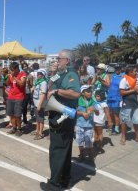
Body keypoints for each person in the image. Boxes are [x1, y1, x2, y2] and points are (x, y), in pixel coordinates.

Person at [40, 49, 80, 191]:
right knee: (64, 149)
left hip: (64, 117)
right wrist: (52, 74)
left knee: (57, 149)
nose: (57, 60)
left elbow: (75, 93)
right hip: (58, 115)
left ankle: (54, 184)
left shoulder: (71, 74)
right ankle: (64, 180)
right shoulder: (60, 74)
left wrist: (58, 91)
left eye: (59, 58)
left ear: (67, 61)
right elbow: (49, 87)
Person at [119, 66, 138, 145]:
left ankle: (137, 136)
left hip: (135, 103)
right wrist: (134, 90)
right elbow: (122, 92)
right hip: (126, 103)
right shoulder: (124, 80)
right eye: (134, 71)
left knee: (136, 121)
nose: (136, 72)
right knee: (124, 121)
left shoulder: (137, 80)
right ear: (130, 73)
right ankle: (123, 137)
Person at [6, 62, 27, 136]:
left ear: (17, 69)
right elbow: (8, 84)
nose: (11, 71)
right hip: (11, 97)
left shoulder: (22, 74)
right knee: (11, 114)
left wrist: (14, 76)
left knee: (17, 115)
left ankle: (19, 129)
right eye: (11, 70)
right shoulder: (11, 75)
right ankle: (14, 127)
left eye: (12, 70)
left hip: (19, 97)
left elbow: (22, 84)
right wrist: (9, 77)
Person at [76, 85, 96, 162]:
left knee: (89, 141)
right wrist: (82, 113)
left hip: (89, 125)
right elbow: (74, 111)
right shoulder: (78, 101)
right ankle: (81, 154)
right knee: (80, 140)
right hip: (79, 124)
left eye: (91, 91)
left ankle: (90, 155)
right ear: (83, 93)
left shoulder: (93, 101)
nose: (90, 93)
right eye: (88, 91)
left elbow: (97, 112)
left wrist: (95, 109)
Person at [107, 65, 124, 134]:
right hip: (110, 97)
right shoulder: (114, 76)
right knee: (110, 113)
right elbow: (110, 85)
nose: (117, 70)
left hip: (117, 98)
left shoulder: (123, 76)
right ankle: (112, 126)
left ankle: (117, 129)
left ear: (121, 69)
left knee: (116, 114)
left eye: (118, 68)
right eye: (116, 68)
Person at [31, 68, 48, 140]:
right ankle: (37, 131)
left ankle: (41, 133)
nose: (38, 75)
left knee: (40, 118)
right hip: (36, 102)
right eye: (38, 73)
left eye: (40, 74)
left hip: (40, 103)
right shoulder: (37, 82)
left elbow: (43, 94)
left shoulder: (44, 83)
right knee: (37, 118)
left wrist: (40, 105)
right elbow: (33, 89)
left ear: (43, 75)